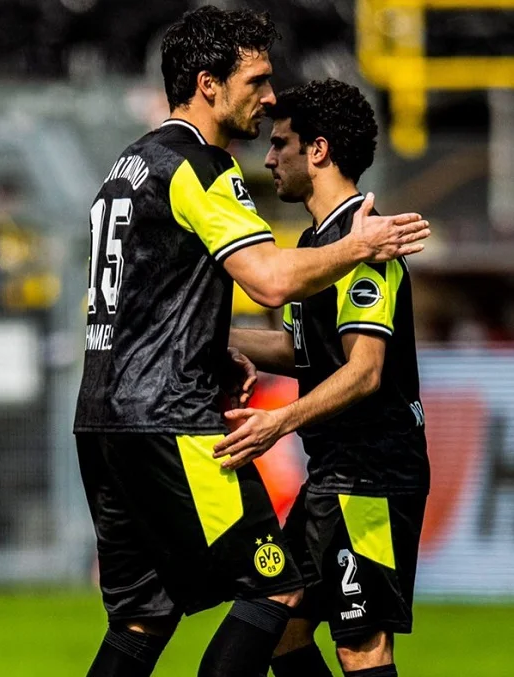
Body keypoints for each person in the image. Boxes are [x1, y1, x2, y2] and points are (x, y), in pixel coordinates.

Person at [72, 7, 430, 677]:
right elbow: (268, 281)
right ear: (207, 84)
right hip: (170, 418)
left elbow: (346, 362)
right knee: (278, 590)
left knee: (145, 617)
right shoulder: (202, 166)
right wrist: (361, 245)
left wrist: (210, 343)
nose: (267, 101)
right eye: (256, 80)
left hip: (103, 418)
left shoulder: (127, 166)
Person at [223, 79, 428, 677]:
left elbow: (365, 373)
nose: (268, 158)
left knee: (360, 647)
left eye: (280, 143)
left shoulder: (368, 243)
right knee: (282, 634)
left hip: (372, 477)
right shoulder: (320, 244)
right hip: (333, 475)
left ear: (318, 151)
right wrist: (207, 339)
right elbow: (305, 350)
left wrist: (277, 422)